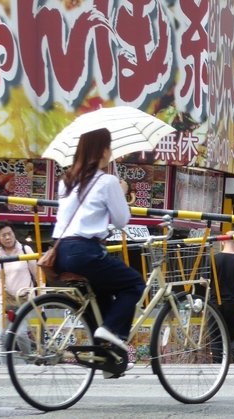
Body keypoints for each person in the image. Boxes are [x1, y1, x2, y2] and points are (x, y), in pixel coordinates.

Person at [51, 127, 145, 378]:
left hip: (60, 251)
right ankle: (113, 333)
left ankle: (107, 359)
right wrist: (122, 193)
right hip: (85, 251)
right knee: (134, 284)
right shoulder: (107, 181)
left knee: (102, 296)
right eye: (110, 147)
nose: (111, 152)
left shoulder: (67, 180)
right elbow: (122, 220)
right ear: (103, 150)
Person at [0, 221, 37, 311]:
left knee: (24, 325)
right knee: (5, 325)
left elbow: (37, 274)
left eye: (9, 234)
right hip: (5, 299)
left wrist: (42, 303)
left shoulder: (25, 250)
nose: (8, 237)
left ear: (14, 234)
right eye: (3, 235)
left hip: (26, 298)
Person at [211, 231, 234, 363]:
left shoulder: (213, 259)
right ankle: (231, 355)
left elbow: (204, 281)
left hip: (215, 304)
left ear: (222, 242)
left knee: (216, 336)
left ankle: (218, 363)